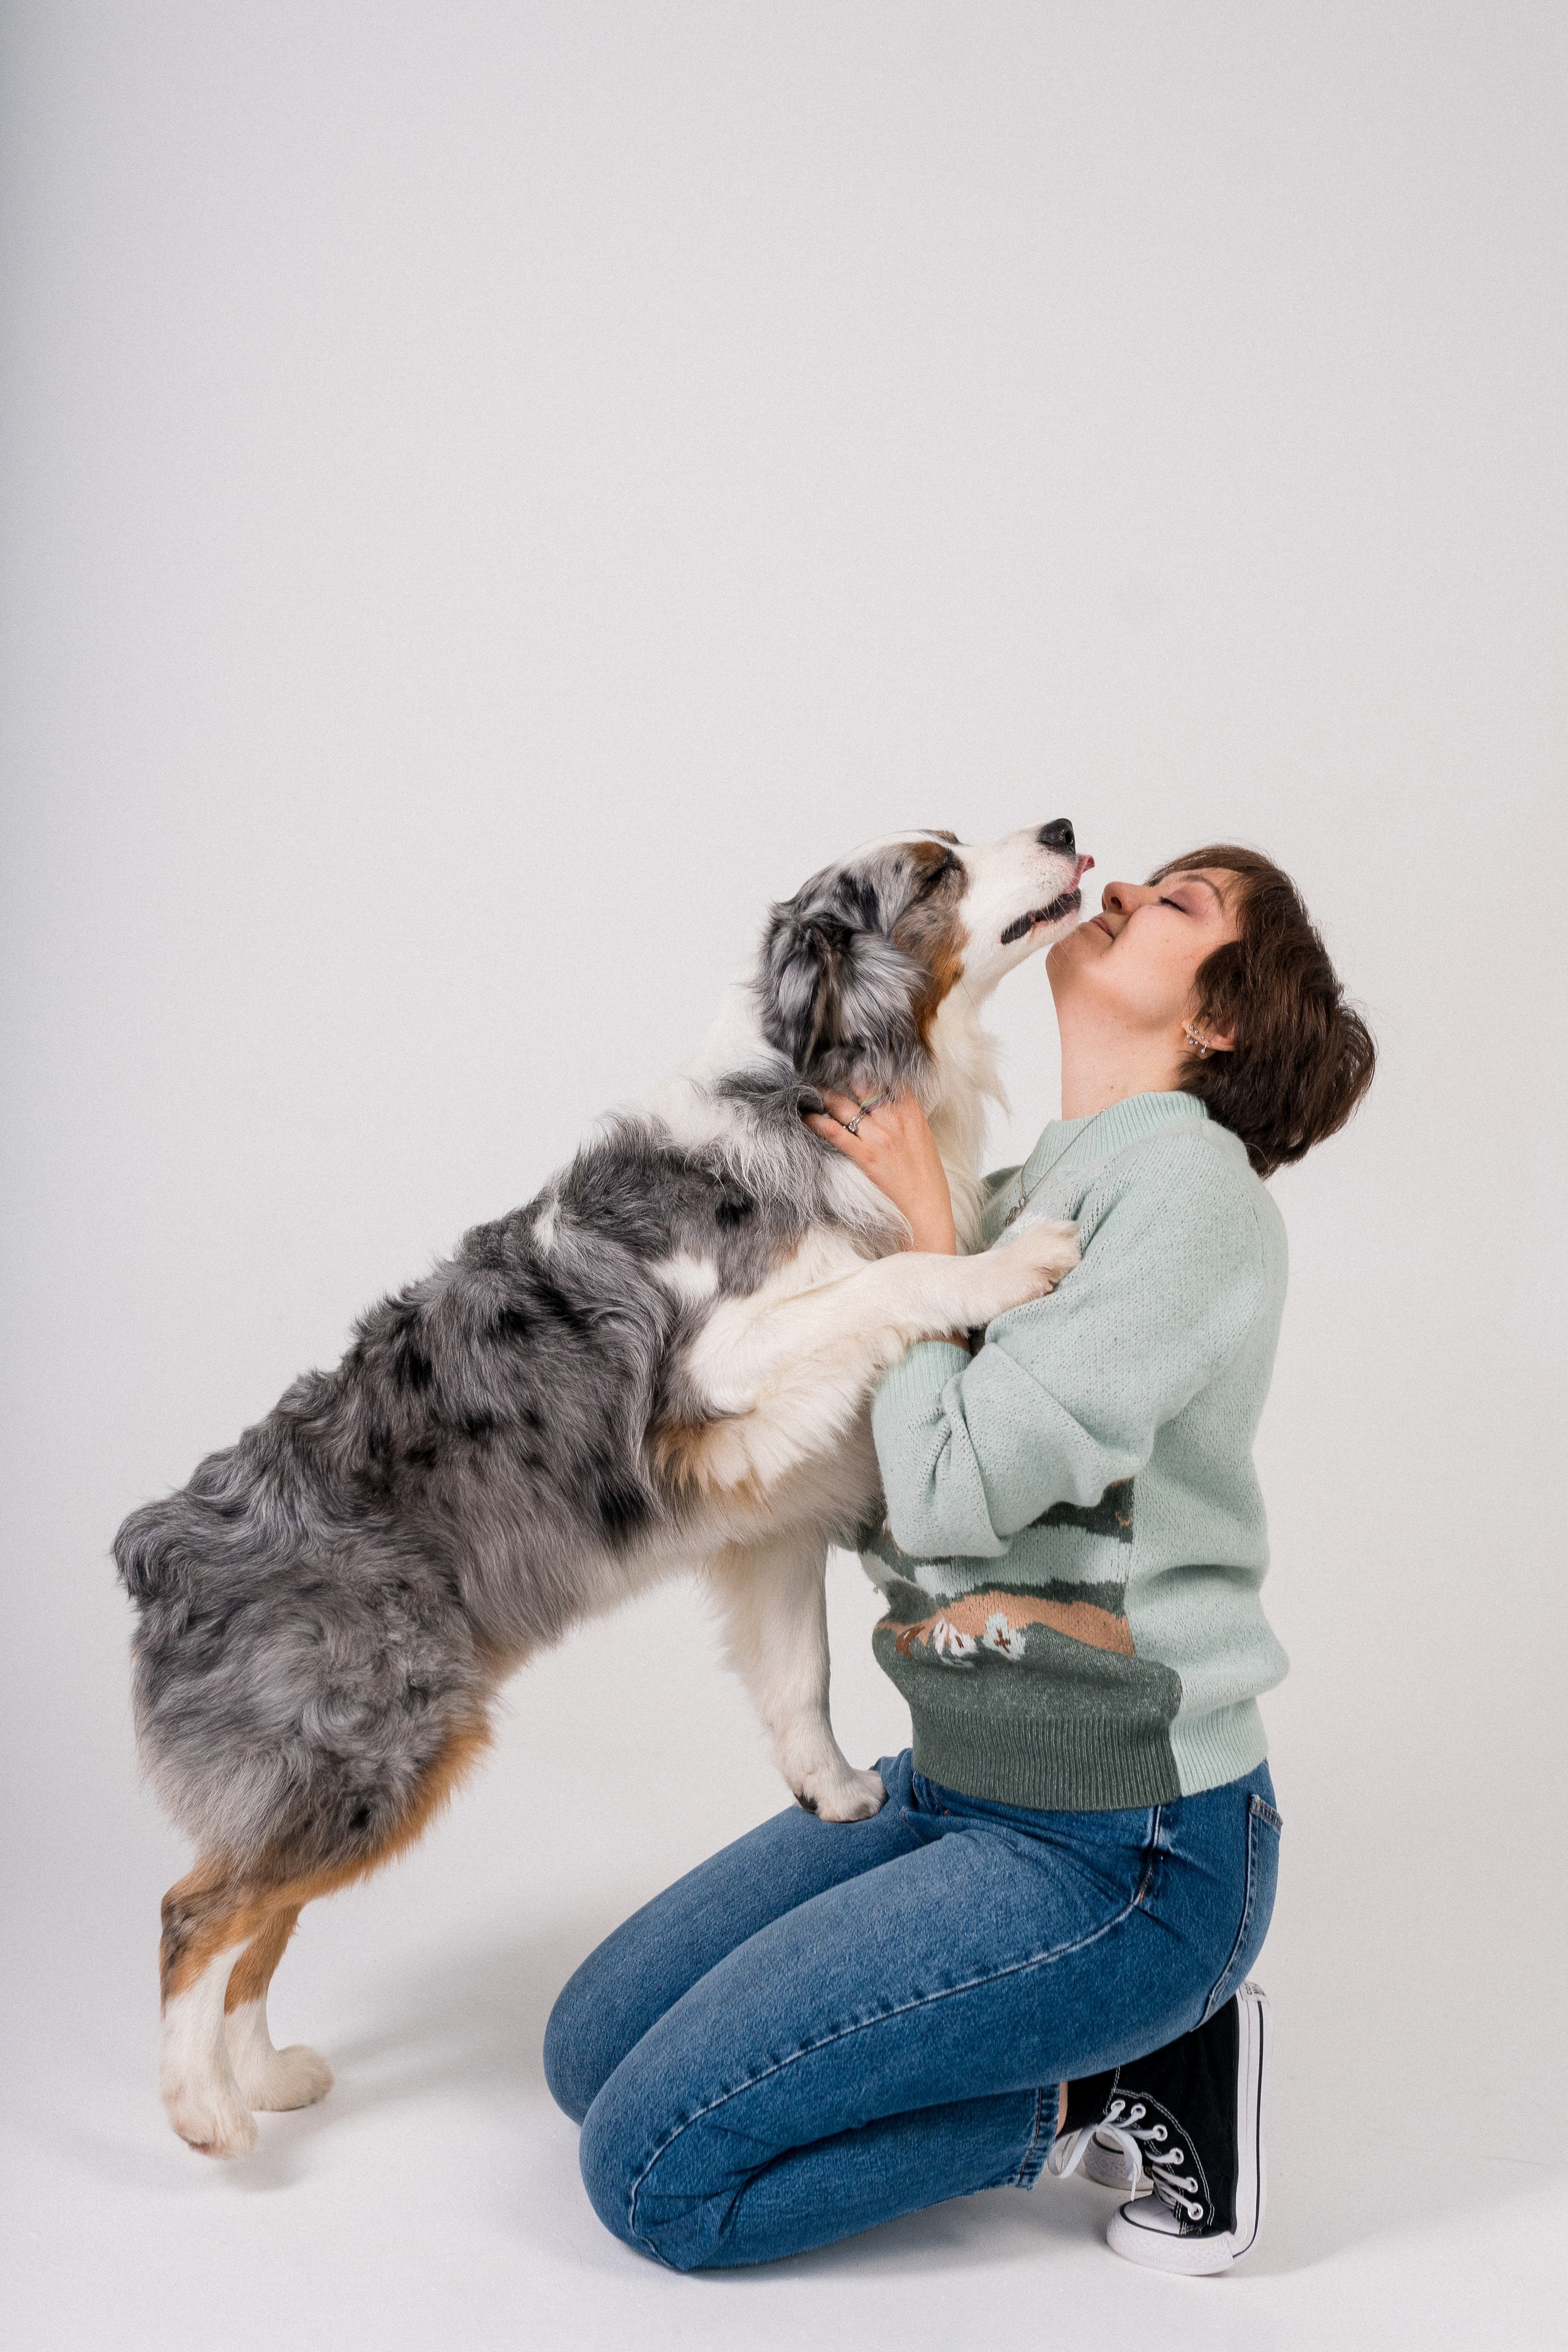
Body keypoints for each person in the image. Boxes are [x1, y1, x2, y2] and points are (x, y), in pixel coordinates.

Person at [542, 843, 1375, 2275]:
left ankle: (1115, 2089)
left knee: (654, 2179)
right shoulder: (1023, 1185)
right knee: (583, 2053)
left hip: (1122, 1850)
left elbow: (944, 1493)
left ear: (1218, 1020)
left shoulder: (1188, 1201)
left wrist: (925, 1242)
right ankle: (1033, 2043)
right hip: (950, 1783)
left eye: (1172, 905)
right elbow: (845, 1475)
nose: (1118, 891)